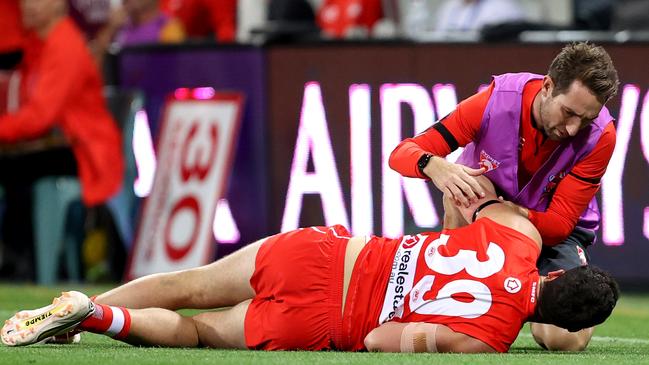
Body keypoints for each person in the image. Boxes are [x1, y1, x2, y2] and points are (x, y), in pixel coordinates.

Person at [2, 176, 619, 352]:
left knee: (186, 286)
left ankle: (72, 310)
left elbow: (474, 194)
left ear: (559, 272)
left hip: (330, 253)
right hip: (327, 320)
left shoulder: (517, 239)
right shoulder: (486, 342)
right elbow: (382, 339)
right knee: (192, 334)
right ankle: (95, 317)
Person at [388, 41, 619, 351]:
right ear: (548, 86)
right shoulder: (494, 104)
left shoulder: (601, 136)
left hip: (551, 235)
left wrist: (515, 213)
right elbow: (401, 154)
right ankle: (447, 290)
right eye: (568, 113)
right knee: (464, 183)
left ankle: (508, 298)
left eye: (585, 120)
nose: (574, 129)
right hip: (486, 215)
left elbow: (560, 224)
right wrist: (433, 165)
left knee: (563, 340)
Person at [0, 0, 124, 279]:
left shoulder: (64, 43)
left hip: (86, 151)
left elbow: (39, 116)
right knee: (14, 171)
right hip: (58, 145)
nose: (27, 6)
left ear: (59, 4)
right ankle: (20, 259)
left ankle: (23, 264)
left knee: (13, 171)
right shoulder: (37, 45)